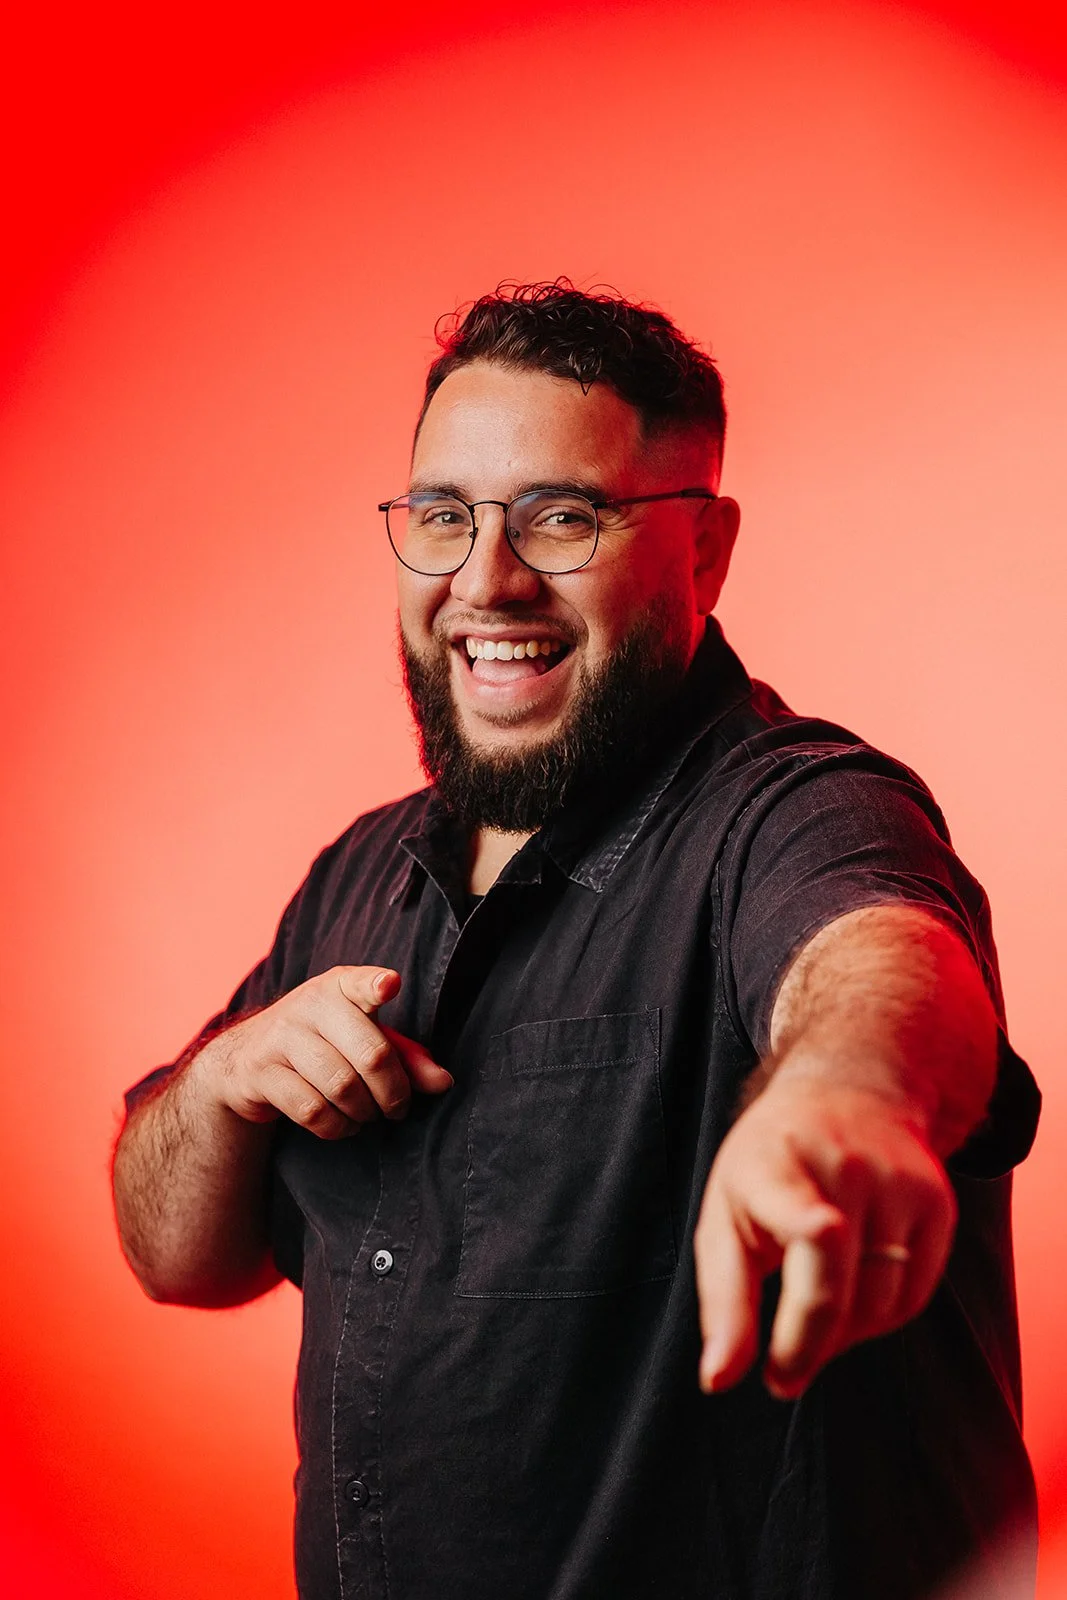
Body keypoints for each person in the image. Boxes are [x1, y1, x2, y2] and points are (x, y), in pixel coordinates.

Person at [112, 281, 1040, 1600]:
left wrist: (843, 1102)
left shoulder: (800, 808)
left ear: (704, 552)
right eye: (443, 516)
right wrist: (217, 1085)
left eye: (562, 518)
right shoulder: (360, 873)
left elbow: (880, 956)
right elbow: (174, 1260)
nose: (485, 581)